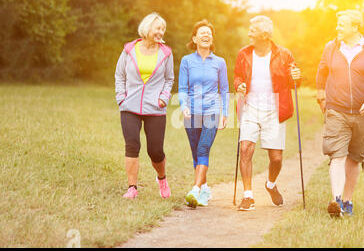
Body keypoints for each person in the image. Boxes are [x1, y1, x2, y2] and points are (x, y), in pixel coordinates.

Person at [316, 10, 364, 217]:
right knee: (336, 155)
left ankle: (347, 201)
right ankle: (336, 200)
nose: (337, 28)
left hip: (362, 113)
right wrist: (322, 99)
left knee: (355, 158)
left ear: (355, 27)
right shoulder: (331, 48)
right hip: (337, 110)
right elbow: (321, 73)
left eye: (342, 24)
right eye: (337, 24)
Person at [233, 16, 301, 211]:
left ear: (264, 34)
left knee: (276, 158)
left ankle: (270, 184)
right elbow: (237, 75)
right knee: (245, 148)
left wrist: (296, 77)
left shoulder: (284, 54)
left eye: (252, 30)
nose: (248, 33)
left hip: (275, 109)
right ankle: (248, 195)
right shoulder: (244, 54)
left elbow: (293, 81)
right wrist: (239, 85)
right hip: (250, 107)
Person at [114, 12, 174, 199]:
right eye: (158, 28)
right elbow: (120, 75)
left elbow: (169, 78)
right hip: (129, 105)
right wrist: (121, 97)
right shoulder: (129, 49)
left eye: (162, 29)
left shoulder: (166, 53)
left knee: (155, 150)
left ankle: (161, 178)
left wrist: (163, 98)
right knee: (132, 145)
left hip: (155, 107)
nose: (160, 32)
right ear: (147, 28)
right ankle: (132, 188)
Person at [179, 20, 229, 208]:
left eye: (209, 33)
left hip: (212, 111)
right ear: (194, 38)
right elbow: (182, 87)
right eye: (202, 33)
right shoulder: (186, 61)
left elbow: (224, 89)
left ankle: (195, 189)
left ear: (212, 38)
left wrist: (225, 113)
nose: (206, 35)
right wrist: (183, 105)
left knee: (203, 149)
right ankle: (205, 188)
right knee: (195, 152)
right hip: (191, 113)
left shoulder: (219, 62)